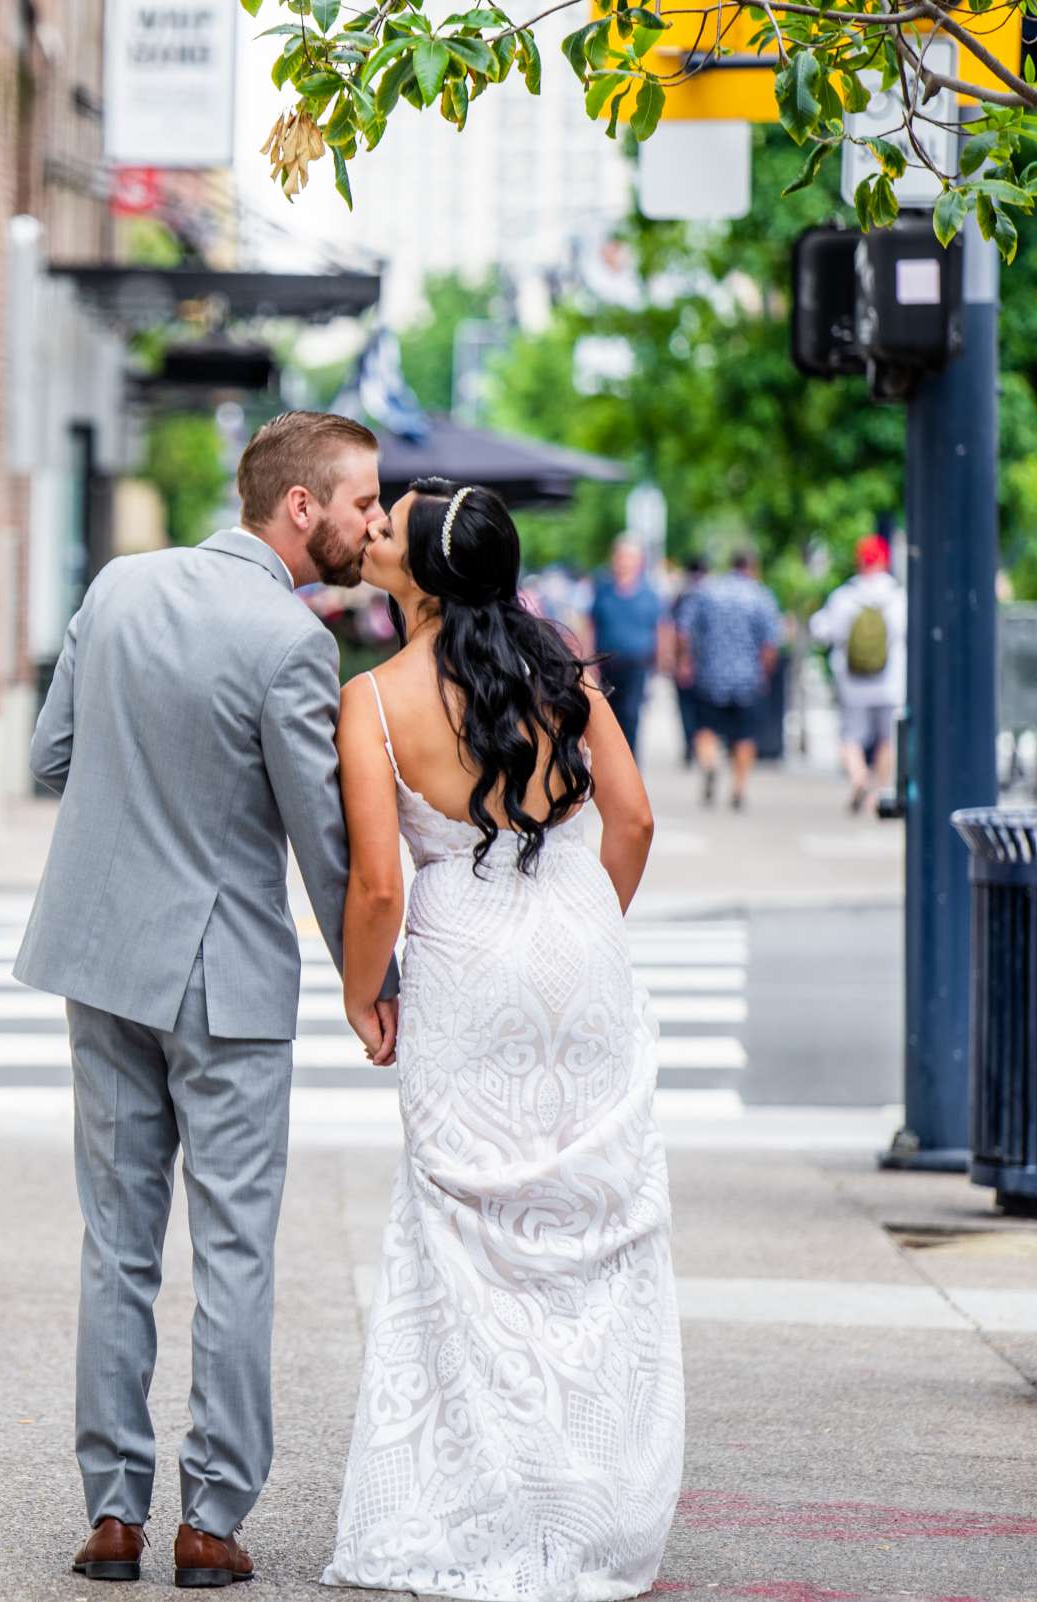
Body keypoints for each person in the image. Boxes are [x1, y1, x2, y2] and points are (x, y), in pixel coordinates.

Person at [15, 411, 398, 1587]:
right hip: (222, 978)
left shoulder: (119, 589)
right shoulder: (290, 643)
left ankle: (114, 1515)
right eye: (361, 504)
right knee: (234, 1250)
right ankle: (210, 1520)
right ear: (299, 507)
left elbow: (48, 759)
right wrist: (367, 978)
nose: (371, 526)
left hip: (100, 958)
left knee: (116, 1245)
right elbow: (322, 839)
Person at [324, 479, 683, 1601]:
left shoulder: (374, 702)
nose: (370, 526)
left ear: (424, 571)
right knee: (595, 1227)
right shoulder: (564, 674)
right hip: (581, 944)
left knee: (467, 1235)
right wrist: (580, 926)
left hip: (464, 962)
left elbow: (381, 884)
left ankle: (483, 1506)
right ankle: (595, 1508)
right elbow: (632, 820)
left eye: (388, 521)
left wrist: (359, 993)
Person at [809, 534, 907, 814]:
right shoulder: (898, 598)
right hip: (890, 682)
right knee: (886, 739)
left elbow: (822, 631)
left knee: (851, 736)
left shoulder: (844, 596)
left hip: (852, 682)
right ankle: (877, 793)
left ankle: (859, 777)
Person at [678, 550, 782, 810]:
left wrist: (686, 660)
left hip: (710, 675)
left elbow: (683, 628)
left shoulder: (708, 592)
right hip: (747, 678)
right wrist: (765, 671)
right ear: (752, 566)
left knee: (706, 729)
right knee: (745, 736)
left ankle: (710, 764)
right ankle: (739, 787)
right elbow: (771, 641)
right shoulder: (760, 595)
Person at [586, 537, 667, 761]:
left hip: (636, 663)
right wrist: (589, 661)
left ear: (638, 562)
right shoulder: (603, 590)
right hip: (607, 662)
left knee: (631, 715)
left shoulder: (649, 594)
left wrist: (661, 662)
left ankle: (630, 761)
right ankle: (611, 762)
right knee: (608, 716)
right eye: (619, 556)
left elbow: (660, 629)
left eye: (628, 557)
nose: (622, 561)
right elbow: (591, 625)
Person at [667, 554, 708, 767]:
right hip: (707, 664)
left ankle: (692, 746)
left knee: (686, 708)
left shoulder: (684, 594)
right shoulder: (709, 593)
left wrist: (681, 660)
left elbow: (680, 629)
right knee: (701, 708)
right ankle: (700, 747)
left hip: (688, 661)